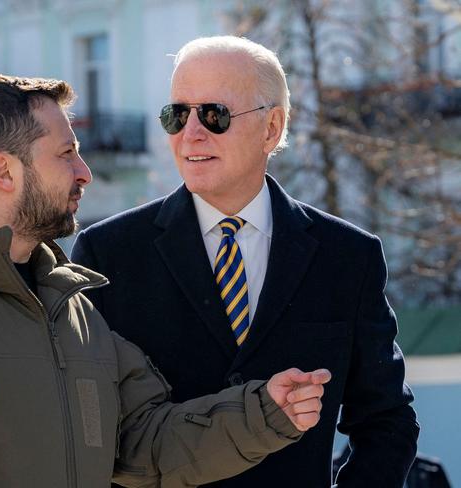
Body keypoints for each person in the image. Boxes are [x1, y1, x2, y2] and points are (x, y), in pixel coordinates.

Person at [0, 74, 330, 487]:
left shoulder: (71, 309)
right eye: (65, 154)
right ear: (4, 171)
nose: (84, 171)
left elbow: (141, 442)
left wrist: (263, 413)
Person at [72, 36, 419, 487]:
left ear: (271, 127)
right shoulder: (108, 253)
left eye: (214, 115)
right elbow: (93, 432)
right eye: (176, 115)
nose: (191, 133)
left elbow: (387, 420)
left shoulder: (348, 255)